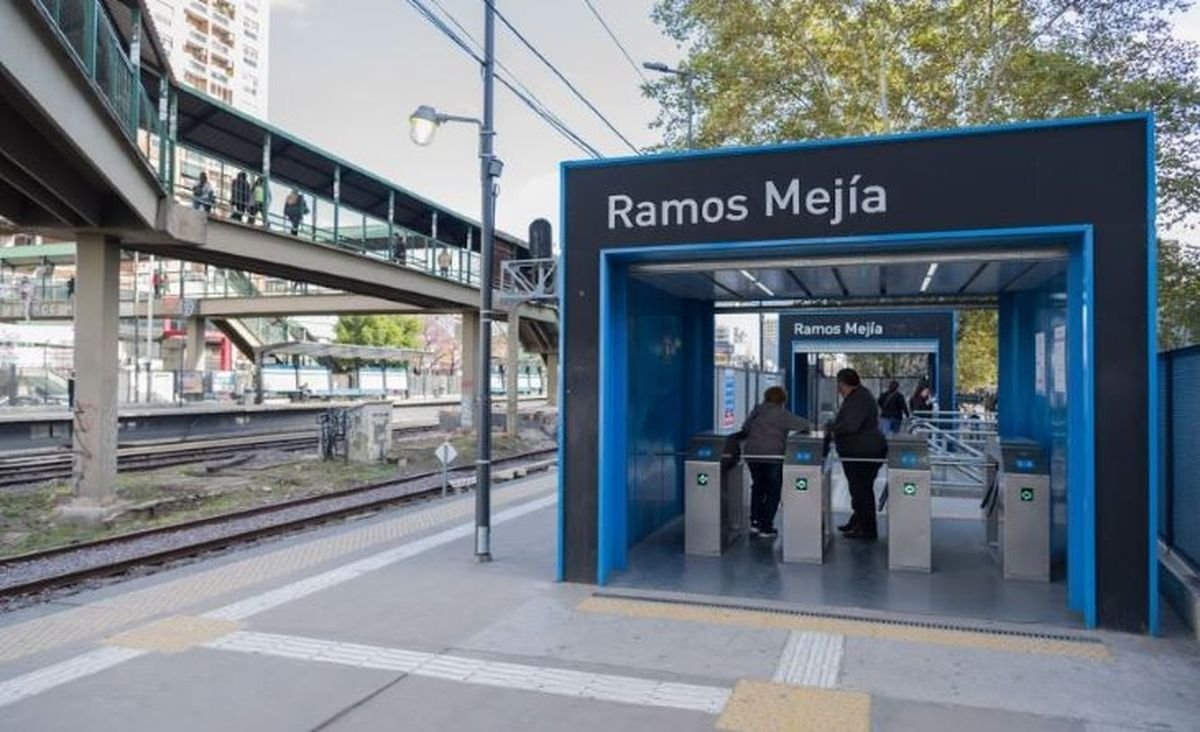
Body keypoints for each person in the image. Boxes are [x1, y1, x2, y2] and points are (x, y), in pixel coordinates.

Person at [739, 385, 811, 538]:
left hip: (752, 454)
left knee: (758, 487)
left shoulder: (757, 410)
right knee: (773, 490)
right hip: (773, 456)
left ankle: (755, 523)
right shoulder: (782, 414)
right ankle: (766, 527)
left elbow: (745, 428)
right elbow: (804, 424)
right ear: (783, 400)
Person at [826, 368, 887, 540]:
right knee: (859, 490)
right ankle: (858, 521)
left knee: (862, 491)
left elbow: (851, 425)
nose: (838, 388)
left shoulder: (859, 399)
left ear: (843, 383)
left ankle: (867, 529)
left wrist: (832, 428)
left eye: (839, 384)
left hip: (863, 452)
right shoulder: (859, 396)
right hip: (862, 450)